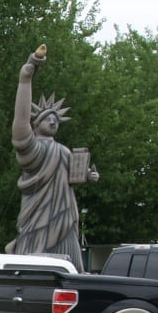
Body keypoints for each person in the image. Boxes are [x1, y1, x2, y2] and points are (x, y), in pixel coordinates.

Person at [7, 44, 96, 271]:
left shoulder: (64, 151)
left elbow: (74, 176)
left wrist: (88, 175)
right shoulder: (33, 148)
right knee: (30, 267)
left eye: (56, 119)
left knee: (72, 267)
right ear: (37, 123)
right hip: (37, 218)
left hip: (64, 215)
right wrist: (25, 80)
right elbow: (20, 123)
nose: (54, 122)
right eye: (48, 118)